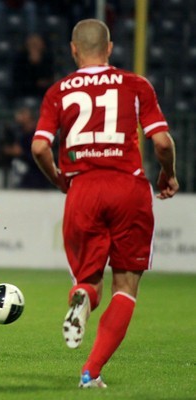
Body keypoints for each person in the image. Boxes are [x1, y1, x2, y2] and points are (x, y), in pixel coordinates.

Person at [31, 19, 179, 388]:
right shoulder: (135, 85)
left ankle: (82, 295)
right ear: (110, 48)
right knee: (126, 287)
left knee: (89, 278)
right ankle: (90, 372)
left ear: (73, 49)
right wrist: (169, 174)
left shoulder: (58, 91)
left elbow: (38, 147)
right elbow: (161, 142)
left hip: (83, 188)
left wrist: (60, 180)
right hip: (127, 186)